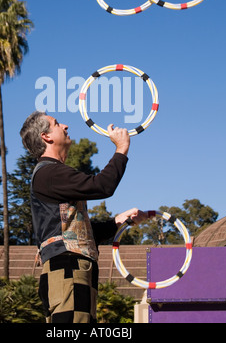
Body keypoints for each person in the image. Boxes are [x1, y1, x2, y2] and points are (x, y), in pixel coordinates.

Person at [20, 111, 147, 323]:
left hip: (71, 269)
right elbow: (102, 186)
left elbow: (77, 234)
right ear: (46, 136)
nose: (66, 126)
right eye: (57, 123)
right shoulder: (49, 173)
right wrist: (121, 149)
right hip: (67, 269)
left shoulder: (52, 174)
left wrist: (119, 221)